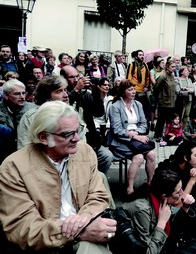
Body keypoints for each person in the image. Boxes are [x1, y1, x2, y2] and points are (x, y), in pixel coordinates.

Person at [0, 101, 116, 253]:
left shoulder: (84, 152)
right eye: (67, 134)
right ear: (43, 137)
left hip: (87, 229)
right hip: (46, 245)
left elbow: (99, 196)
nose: (76, 139)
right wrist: (79, 231)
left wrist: (85, 219)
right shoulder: (13, 167)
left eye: (77, 130)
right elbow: (22, 228)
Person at [122, 167, 196, 254]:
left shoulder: (159, 198)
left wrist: (185, 207)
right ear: (164, 196)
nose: (182, 193)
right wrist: (161, 222)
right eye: (178, 192)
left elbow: (174, 227)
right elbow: (149, 252)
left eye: (181, 189)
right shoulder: (142, 210)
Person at [61, 66, 114, 174]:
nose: (76, 80)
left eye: (77, 76)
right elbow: (63, 108)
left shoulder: (85, 94)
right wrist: (76, 90)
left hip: (89, 138)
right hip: (69, 139)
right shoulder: (62, 93)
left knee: (107, 156)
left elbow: (98, 112)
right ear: (63, 78)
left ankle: (94, 181)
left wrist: (95, 91)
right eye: (71, 77)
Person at [109, 79, 156, 195]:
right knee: (139, 157)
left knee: (151, 154)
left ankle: (150, 184)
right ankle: (130, 189)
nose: (134, 91)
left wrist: (136, 133)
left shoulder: (138, 104)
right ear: (123, 92)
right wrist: (133, 135)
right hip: (120, 140)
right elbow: (117, 129)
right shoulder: (115, 106)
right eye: (130, 89)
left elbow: (144, 124)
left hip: (136, 138)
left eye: (134, 89)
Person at [17, 75, 69, 149]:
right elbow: (24, 149)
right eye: (59, 91)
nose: (66, 95)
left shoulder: (72, 114)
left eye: (65, 90)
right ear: (46, 96)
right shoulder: (31, 117)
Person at [0, 79, 36, 162]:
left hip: (27, 152)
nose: (22, 97)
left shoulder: (33, 109)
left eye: (23, 93)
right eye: (17, 94)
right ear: (6, 95)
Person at [153, 60, 177, 140]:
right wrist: (159, 98)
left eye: (175, 67)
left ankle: (168, 134)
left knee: (170, 120)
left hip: (172, 101)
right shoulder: (162, 76)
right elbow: (156, 88)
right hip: (164, 101)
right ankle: (158, 134)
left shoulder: (172, 75)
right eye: (172, 67)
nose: (174, 68)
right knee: (161, 119)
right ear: (167, 67)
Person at [126, 50, 151, 121]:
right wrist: (131, 88)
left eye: (142, 55)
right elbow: (128, 78)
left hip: (143, 91)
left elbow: (147, 77)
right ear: (136, 56)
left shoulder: (145, 65)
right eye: (140, 55)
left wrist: (146, 86)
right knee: (133, 108)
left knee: (144, 108)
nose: (142, 56)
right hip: (134, 91)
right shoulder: (132, 65)